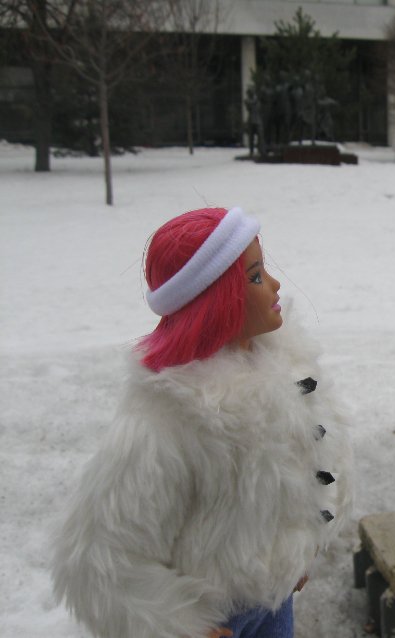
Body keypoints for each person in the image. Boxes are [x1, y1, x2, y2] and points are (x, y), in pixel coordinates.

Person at [51, 207, 352, 638]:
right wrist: (172, 625)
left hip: (273, 601)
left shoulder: (288, 366)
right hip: (214, 618)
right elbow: (96, 559)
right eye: (253, 276)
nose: (274, 284)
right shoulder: (168, 417)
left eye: (263, 269)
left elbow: (309, 467)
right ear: (218, 297)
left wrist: (296, 550)